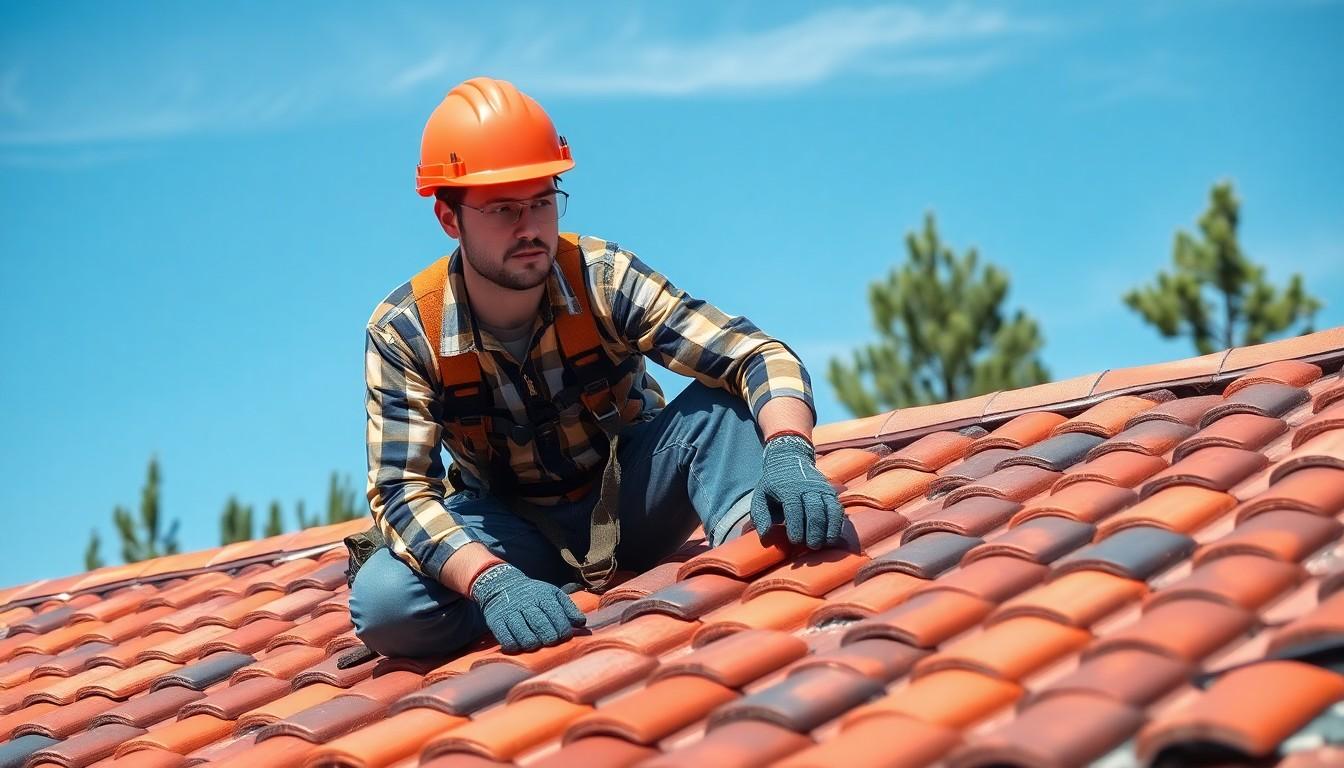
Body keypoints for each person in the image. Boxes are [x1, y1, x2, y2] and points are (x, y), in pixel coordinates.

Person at [348, 77, 844, 658]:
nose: (529, 227)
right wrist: (492, 582)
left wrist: (788, 450)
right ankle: (536, 600)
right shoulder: (405, 330)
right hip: (514, 536)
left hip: (639, 496)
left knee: (725, 407)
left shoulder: (603, 276)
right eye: (503, 209)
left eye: (541, 202)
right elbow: (402, 493)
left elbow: (756, 354)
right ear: (449, 218)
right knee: (385, 604)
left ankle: (760, 564)